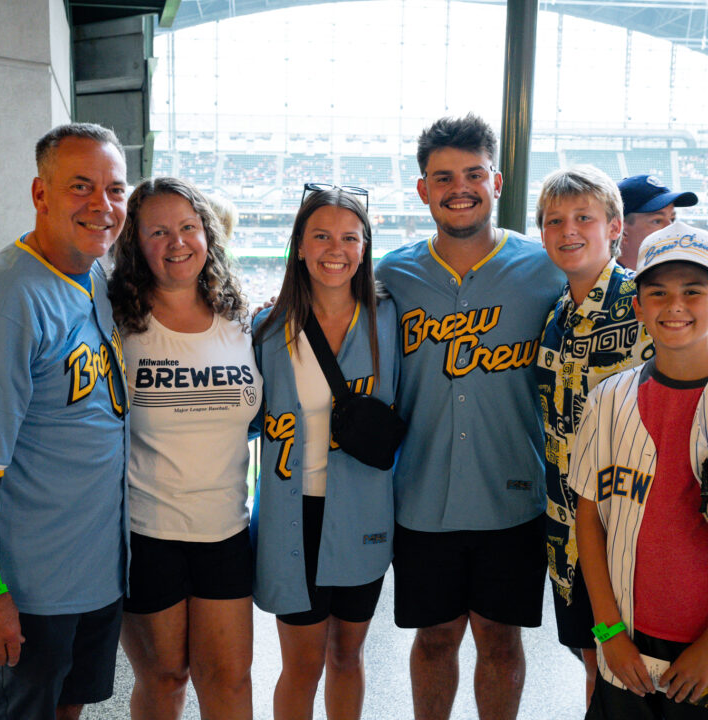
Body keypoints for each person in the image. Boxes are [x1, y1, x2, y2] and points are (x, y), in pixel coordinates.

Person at [375, 114, 565, 720]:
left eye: (473, 173)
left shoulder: (545, 270)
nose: (460, 187)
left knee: (501, 641)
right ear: (423, 189)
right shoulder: (391, 274)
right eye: (443, 176)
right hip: (422, 495)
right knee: (433, 639)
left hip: (512, 495)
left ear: (498, 180)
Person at [108, 177, 262, 720]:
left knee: (230, 681)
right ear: (135, 242)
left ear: (208, 234)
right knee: (166, 680)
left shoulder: (243, 320)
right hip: (148, 533)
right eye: (159, 231)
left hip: (225, 530)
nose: (178, 242)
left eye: (189, 227)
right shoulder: (116, 323)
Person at [0, 122, 129, 719]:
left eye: (115, 189)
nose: (102, 206)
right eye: (82, 186)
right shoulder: (11, 299)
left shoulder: (94, 275)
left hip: (96, 571)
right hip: (30, 585)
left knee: (72, 709)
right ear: (40, 194)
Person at [252, 186, 398, 720]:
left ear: (364, 249)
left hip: (362, 512)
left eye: (349, 238)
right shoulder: (267, 329)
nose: (335, 249)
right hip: (293, 516)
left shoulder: (389, 320)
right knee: (302, 664)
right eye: (321, 236)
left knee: (347, 655)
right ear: (298, 246)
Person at [570, 221, 708, 718]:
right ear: (637, 306)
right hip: (626, 647)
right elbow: (587, 519)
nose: (675, 306)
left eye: (693, 291)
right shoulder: (609, 399)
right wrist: (607, 632)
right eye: (657, 293)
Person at [534, 165, 653, 704]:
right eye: (554, 220)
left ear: (615, 226)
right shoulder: (556, 316)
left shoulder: (647, 307)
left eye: (584, 217)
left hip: (637, 542)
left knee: (646, 682)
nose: (568, 230)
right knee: (597, 671)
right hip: (569, 541)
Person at [618, 174, 697, 270]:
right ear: (621, 231)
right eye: (657, 221)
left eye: (672, 219)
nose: (672, 228)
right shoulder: (603, 282)